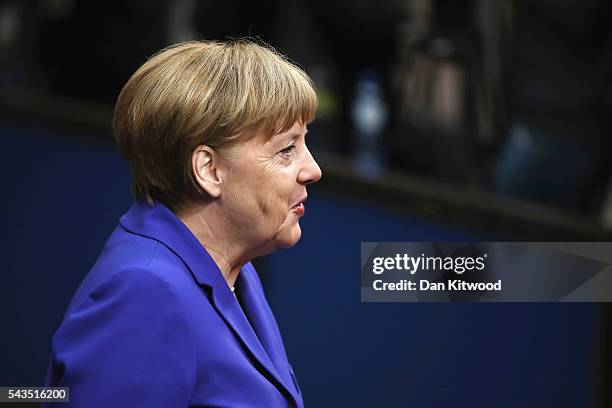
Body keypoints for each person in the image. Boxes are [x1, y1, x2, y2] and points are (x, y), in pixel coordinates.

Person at [43, 40, 322, 407]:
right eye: (287, 149)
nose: (313, 170)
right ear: (209, 169)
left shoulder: (235, 269)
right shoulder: (145, 292)